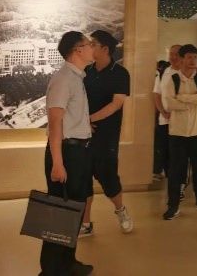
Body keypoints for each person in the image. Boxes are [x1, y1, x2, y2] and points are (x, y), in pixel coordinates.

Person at [40, 31, 94, 276]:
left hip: (78, 152)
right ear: (77, 50)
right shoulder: (63, 79)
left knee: (74, 212)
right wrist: (58, 163)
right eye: (89, 44)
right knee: (60, 215)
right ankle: (51, 270)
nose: (92, 48)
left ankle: (68, 263)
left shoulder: (76, 77)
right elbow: (55, 122)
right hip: (66, 153)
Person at [80, 30, 132, 237]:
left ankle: (121, 210)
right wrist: (82, 123)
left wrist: (89, 119)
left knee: (108, 177)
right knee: (83, 179)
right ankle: (86, 223)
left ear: (105, 49)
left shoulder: (120, 73)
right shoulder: (86, 71)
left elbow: (116, 104)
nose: (89, 47)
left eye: (93, 44)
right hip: (84, 134)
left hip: (106, 136)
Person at [162, 44, 197, 220]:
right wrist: (192, 100)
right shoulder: (172, 79)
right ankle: (173, 205)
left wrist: (181, 97)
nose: (193, 61)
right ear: (181, 59)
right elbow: (169, 104)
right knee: (176, 170)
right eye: (189, 57)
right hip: (177, 132)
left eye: (195, 57)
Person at [153, 46, 181, 180]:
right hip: (165, 119)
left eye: (176, 54)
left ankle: (179, 178)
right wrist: (163, 112)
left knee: (179, 152)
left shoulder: (188, 73)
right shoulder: (163, 73)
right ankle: (170, 177)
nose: (173, 57)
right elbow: (156, 94)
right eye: (171, 54)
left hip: (183, 121)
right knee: (165, 150)